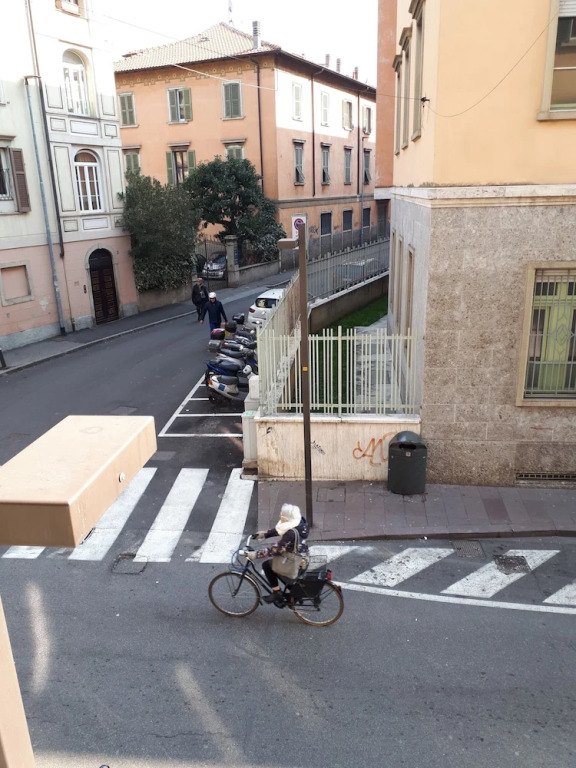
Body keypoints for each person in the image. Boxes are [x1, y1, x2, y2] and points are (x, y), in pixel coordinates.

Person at [248, 503, 309, 604]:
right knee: (277, 565)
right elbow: (280, 530)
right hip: (302, 557)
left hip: (295, 562)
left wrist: (256, 555)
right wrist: (264, 534)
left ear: (288, 518)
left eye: (282, 515)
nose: (280, 515)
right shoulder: (301, 523)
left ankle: (277, 592)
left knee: (267, 565)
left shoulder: (291, 533)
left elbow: (276, 550)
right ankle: (296, 592)